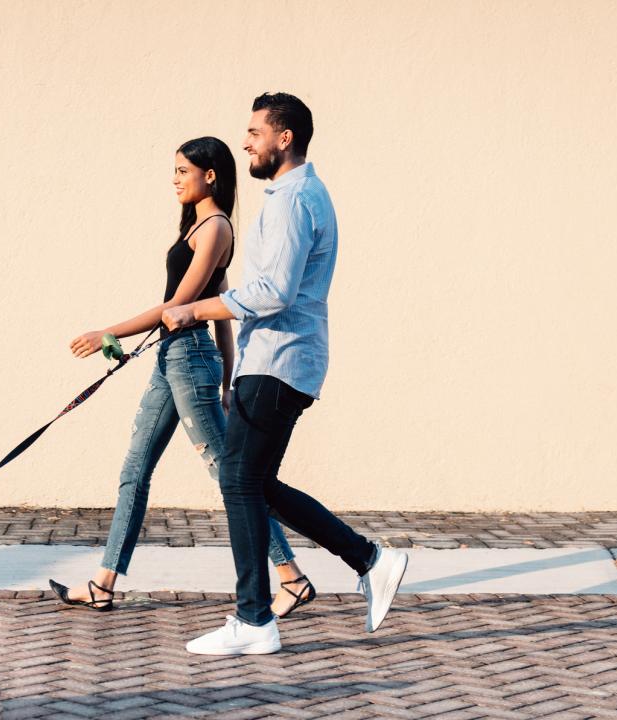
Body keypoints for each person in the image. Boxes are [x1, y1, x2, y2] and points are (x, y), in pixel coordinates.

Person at [164, 94, 409, 655]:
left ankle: (255, 620)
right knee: (253, 482)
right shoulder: (292, 195)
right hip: (275, 360)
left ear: (286, 137)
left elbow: (273, 292)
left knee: (239, 480)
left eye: (255, 132)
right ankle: (370, 559)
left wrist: (196, 308)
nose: (245, 142)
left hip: (279, 360)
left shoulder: (295, 199)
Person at [48, 136, 317, 617]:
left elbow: (182, 307)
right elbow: (224, 303)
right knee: (135, 469)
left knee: (231, 476)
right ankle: (103, 583)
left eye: (182, 170)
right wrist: (230, 375)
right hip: (174, 360)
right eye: (172, 171)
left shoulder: (215, 228)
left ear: (209, 175)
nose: (174, 179)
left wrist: (107, 331)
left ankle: (291, 577)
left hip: (189, 361)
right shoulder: (198, 229)